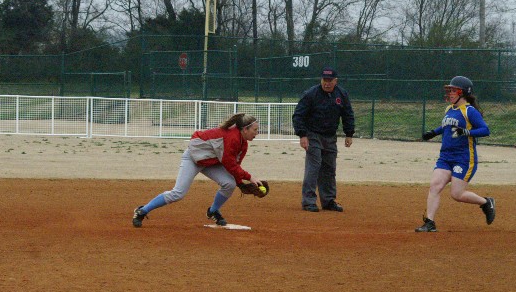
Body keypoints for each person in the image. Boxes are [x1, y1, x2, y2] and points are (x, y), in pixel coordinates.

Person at [132, 112, 263, 227]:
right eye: (255, 130)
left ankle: (213, 211)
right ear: (245, 129)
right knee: (178, 193)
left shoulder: (243, 144)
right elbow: (230, 164)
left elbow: (234, 166)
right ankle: (142, 211)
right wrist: (250, 177)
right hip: (193, 158)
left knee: (229, 183)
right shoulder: (232, 138)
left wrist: (239, 182)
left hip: (211, 162)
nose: (257, 133)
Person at [416, 76, 496, 232]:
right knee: (435, 186)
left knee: (457, 194)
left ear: (463, 93)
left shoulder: (469, 111)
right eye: (450, 90)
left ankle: (486, 202)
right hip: (445, 157)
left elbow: (485, 130)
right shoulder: (449, 109)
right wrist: (433, 132)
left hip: (463, 158)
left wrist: (466, 132)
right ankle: (430, 223)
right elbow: (446, 126)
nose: (450, 93)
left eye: (454, 90)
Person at [292, 66, 355, 212]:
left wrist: (349, 133)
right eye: (324, 80)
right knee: (314, 167)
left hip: (330, 136)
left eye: (330, 80)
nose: (326, 83)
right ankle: (308, 201)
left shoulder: (342, 94)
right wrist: (302, 135)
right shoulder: (311, 94)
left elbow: (348, 114)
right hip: (313, 135)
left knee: (329, 169)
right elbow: (298, 115)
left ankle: (328, 201)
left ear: (335, 81)